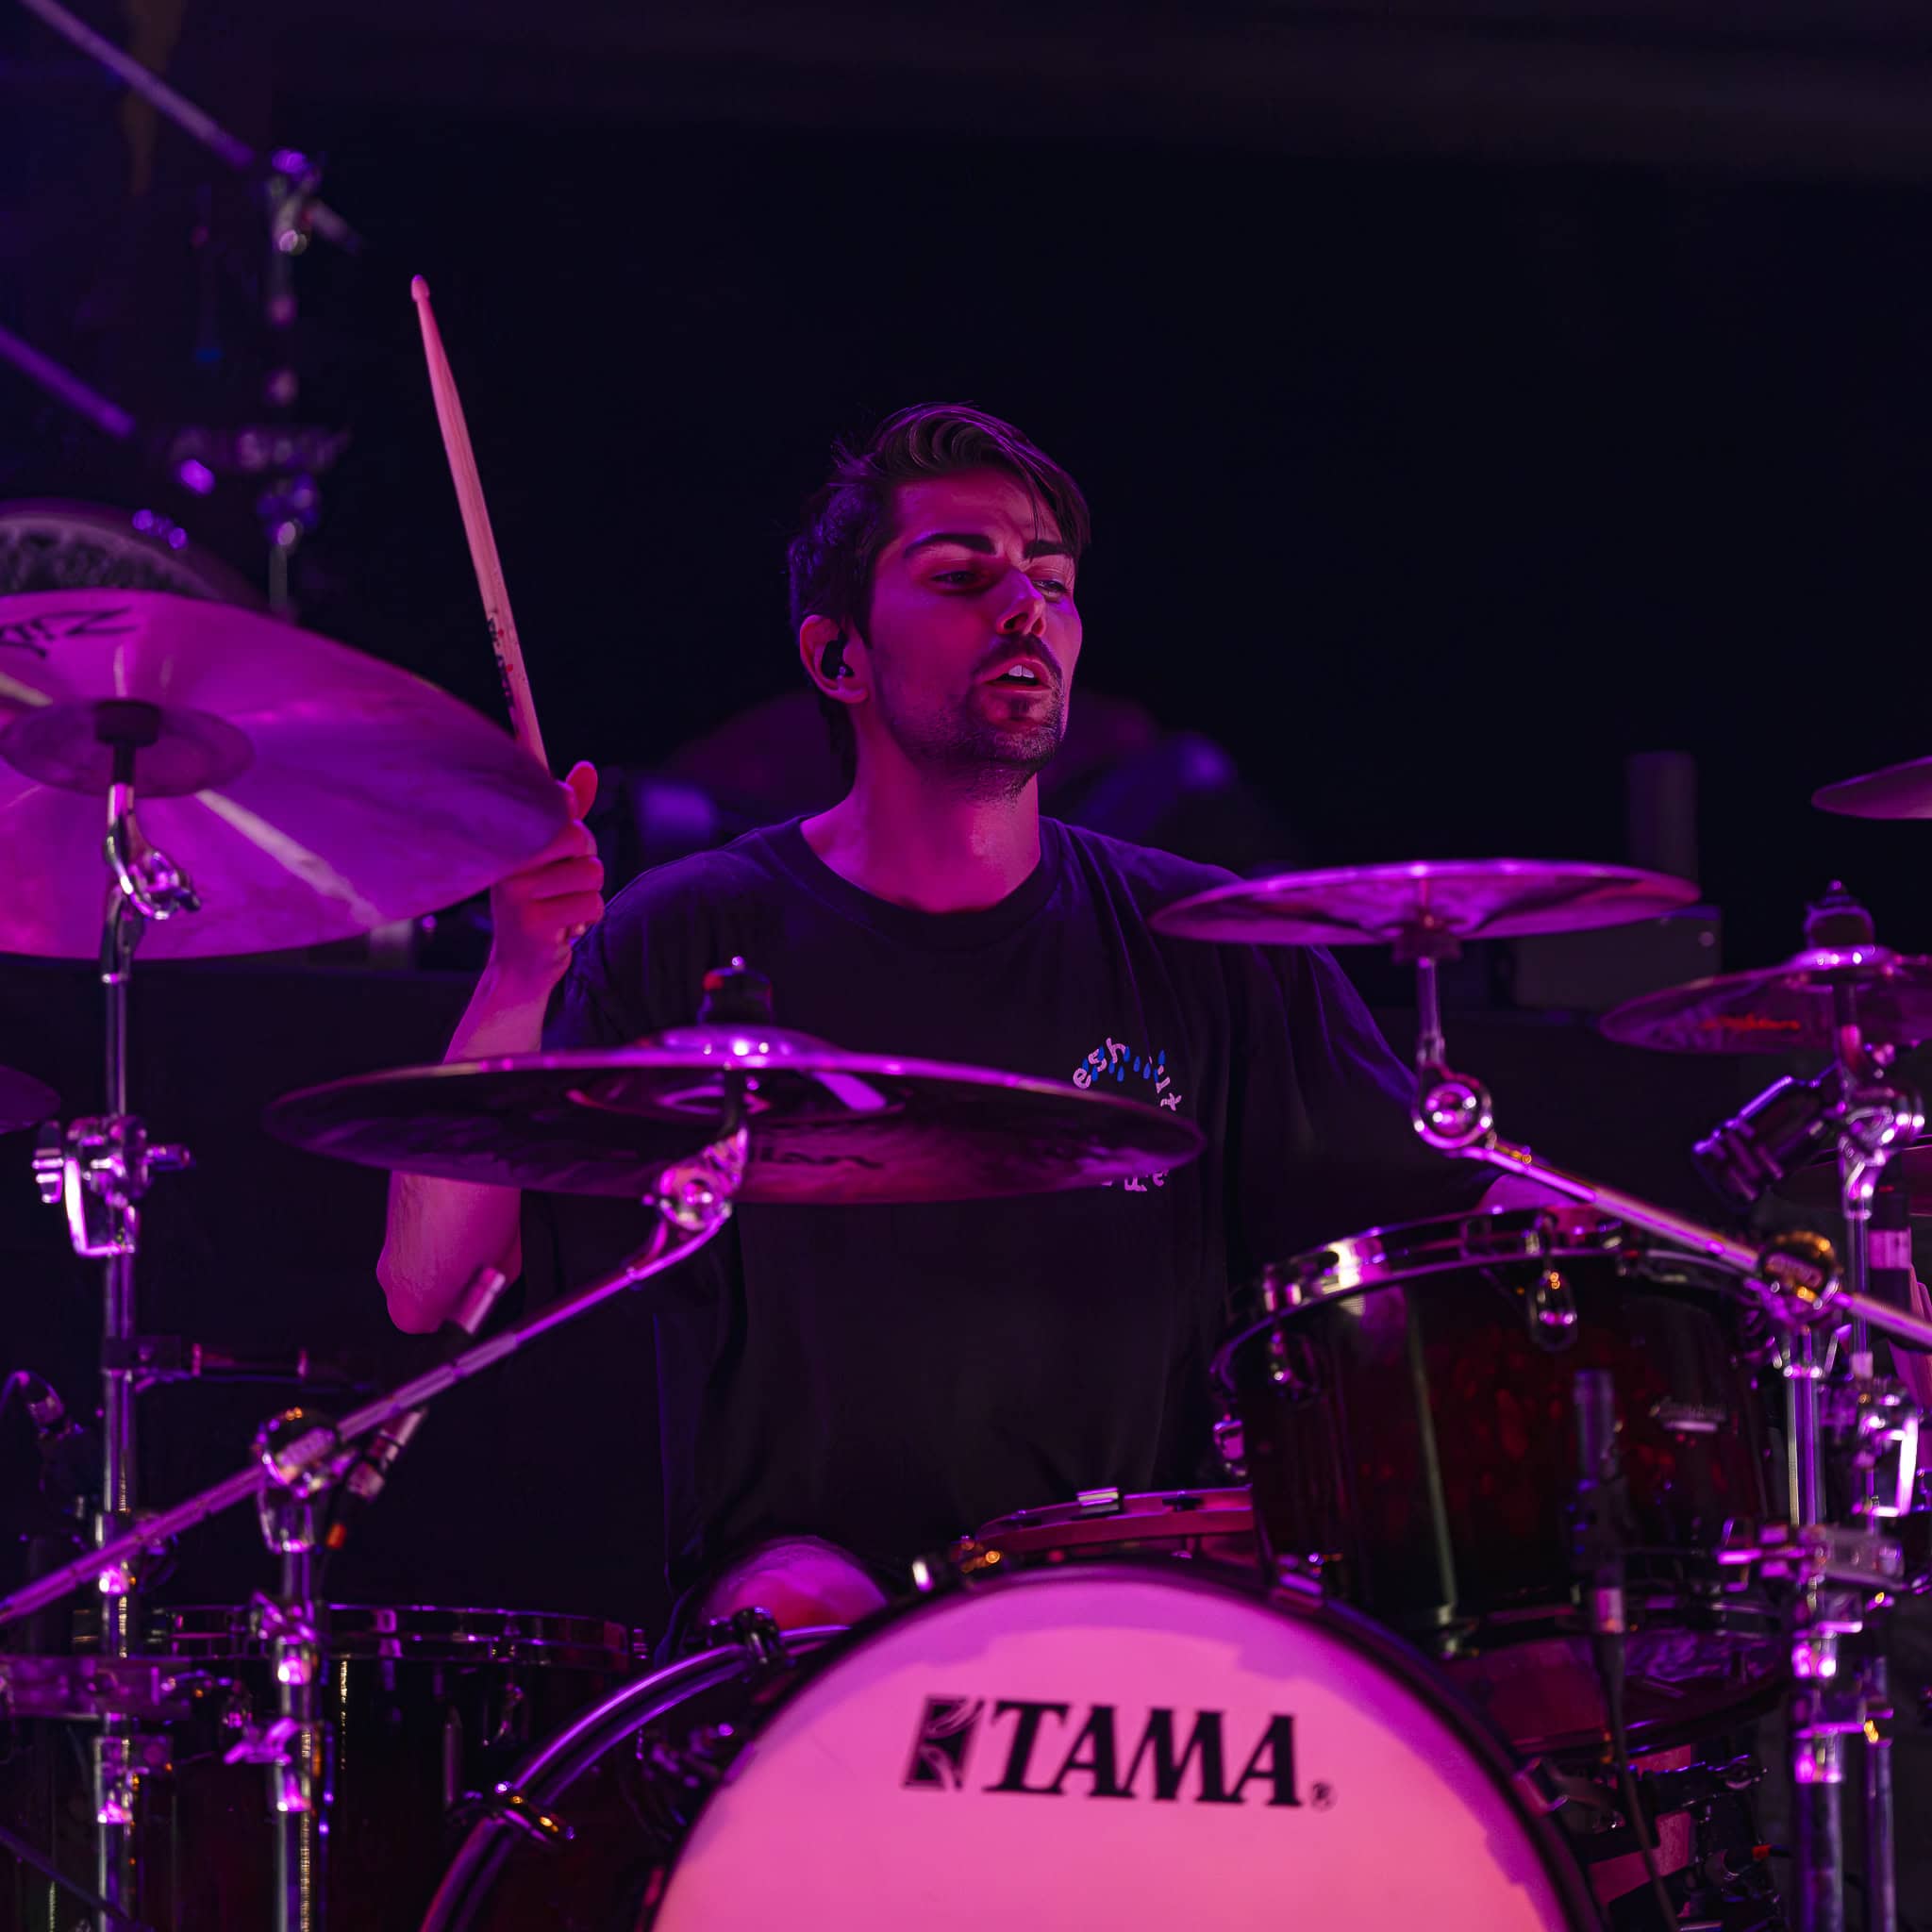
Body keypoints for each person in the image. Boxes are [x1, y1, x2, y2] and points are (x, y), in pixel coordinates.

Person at [378, 402, 1522, 1641]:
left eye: (1052, 583)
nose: (1025, 609)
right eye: (961, 577)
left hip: (1141, 1604)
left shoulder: (1208, 939)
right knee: (811, 1610)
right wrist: (519, 970)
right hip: (803, 1609)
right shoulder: (688, 932)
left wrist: (1580, 1237)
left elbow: (1447, 1232)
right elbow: (429, 1288)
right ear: (840, 657)